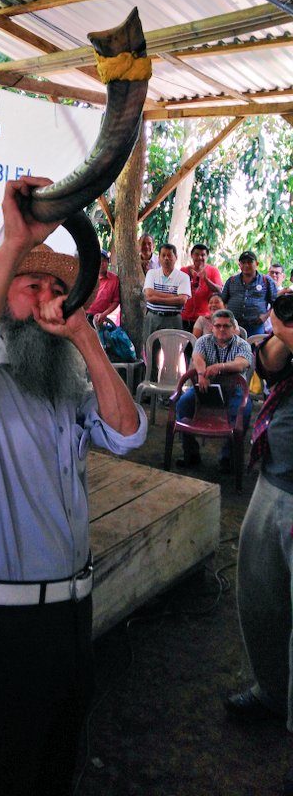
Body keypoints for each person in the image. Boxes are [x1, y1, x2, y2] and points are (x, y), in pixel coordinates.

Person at [0, 176, 147, 796]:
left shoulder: (66, 389)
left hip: (74, 614)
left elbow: (128, 434)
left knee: (56, 769)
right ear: (3, 299)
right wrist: (12, 248)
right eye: (33, 286)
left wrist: (84, 337)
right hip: (4, 622)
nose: (49, 297)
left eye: (59, 286)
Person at [224, 293, 293, 796]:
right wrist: (278, 331)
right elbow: (269, 361)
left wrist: (282, 327)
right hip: (274, 477)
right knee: (259, 591)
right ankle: (272, 691)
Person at [176, 308, 252, 471]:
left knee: (243, 412)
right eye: (218, 326)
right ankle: (191, 453)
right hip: (207, 387)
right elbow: (198, 357)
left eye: (226, 326)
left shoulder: (242, 344)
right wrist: (202, 373)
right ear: (212, 327)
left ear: (233, 327)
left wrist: (220, 367)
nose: (222, 329)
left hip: (235, 390)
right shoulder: (204, 341)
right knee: (183, 404)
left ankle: (228, 458)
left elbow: (241, 363)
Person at [221, 250, 277, 337]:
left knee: (254, 350)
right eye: (243, 262)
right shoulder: (231, 281)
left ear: (257, 263)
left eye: (250, 262)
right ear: (239, 265)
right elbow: (222, 301)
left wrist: (265, 317)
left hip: (256, 326)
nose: (246, 265)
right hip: (233, 326)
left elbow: (276, 304)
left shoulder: (267, 281)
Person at [143, 243, 191, 341]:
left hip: (173, 319)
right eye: (163, 255)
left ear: (176, 257)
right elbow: (149, 295)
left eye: (169, 255)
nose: (166, 258)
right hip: (153, 317)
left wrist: (156, 298)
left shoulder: (183, 277)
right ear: (159, 258)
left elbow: (182, 300)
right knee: (151, 352)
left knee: (172, 353)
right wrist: (174, 296)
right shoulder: (151, 273)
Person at [181, 243, 223, 332]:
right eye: (196, 254)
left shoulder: (213, 271)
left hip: (204, 319)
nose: (200, 257)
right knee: (186, 346)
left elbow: (219, 290)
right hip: (185, 318)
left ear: (207, 256)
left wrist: (206, 280)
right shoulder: (184, 270)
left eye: (203, 255)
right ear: (192, 256)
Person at [85, 247, 120, 327]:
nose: (101, 263)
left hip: (99, 318)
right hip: (83, 316)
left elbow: (116, 301)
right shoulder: (88, 277)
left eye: (104, 261)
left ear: (108, 263)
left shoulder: (114, 279)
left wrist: (104, 314)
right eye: (98, 261)